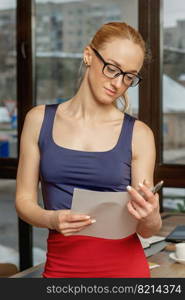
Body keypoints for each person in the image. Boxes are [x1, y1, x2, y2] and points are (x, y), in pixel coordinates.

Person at [15, 22, 162, 278]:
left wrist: (150, 216)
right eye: (113, 69)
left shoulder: (139, 134)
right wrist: (51, 219)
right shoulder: (38, 120)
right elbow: (23, 202)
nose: (118, 83)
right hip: (61, 271)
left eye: (129, 77)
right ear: (88, 55)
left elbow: (148, 230)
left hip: (126, 273)